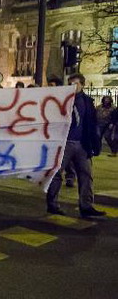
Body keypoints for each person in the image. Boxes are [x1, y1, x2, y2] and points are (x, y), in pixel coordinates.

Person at [45, 74, 105, 218]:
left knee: (86, 175)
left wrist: (94, 145)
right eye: (71, 84)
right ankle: (52, 204)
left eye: (76, 84)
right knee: (57, 174)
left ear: (82, 85)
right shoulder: (63, 100)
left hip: (82, 144)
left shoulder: (87, 102)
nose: (73, 86)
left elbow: (92, 124)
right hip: (64, 143)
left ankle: (86, 205)